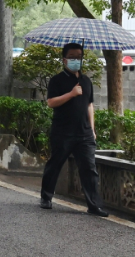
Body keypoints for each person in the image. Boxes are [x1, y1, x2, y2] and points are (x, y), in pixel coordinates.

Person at [40, 43, 108, 216]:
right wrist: (70, 94)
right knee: (55, 164)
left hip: (84, 133)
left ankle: (94, 205)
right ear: (64, 59)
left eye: (78, 56)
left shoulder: (86, 81)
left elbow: (89, 105)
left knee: (89, 169)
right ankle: (46, 197)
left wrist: (92, 128)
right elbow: (51, 103)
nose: (75, 60)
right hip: (63, 132)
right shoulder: (57, 80)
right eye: (72, 57)